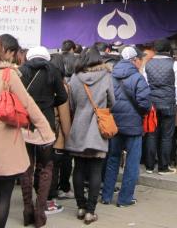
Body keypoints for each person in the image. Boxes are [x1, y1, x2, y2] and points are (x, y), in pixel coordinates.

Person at [0, 36, 54, 228]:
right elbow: (28, 104)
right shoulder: (8, 74)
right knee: (3, 194)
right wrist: (46, 133)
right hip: (5, 139)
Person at [18, 46, 68, 226]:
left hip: (25, 124)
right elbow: (62, 97)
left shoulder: (21, 71)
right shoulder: (52, 71)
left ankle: (26, 209)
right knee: (46, 167)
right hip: (45, 124)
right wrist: (48, 103)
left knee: (26, 167)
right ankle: (40, 212)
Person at [65, 48, 115, 224]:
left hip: (78, 128)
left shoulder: (75, 78)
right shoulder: (106, 76)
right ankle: (90, 212)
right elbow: (112, 102)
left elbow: (71, 104)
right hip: (98, 131)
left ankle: (80, 207)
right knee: (95, 170)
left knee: (78, 168)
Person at [101, 46, 151, 207]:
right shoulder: (138, 78)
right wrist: (140, 114)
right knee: (132, 162)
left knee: (112, 159)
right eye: (140, 60)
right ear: (134, 60)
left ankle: (106, 196)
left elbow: (106, 100)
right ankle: (124, 199)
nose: (141, 63)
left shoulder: (110, 76)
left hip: (115, 125)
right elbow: (145, 104)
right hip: (133, 126)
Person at [144, 38, 177, 175]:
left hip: (152, 105)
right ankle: (163, 167)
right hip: (168, 104)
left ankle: (149, 166)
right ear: (168, 49)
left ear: (155, 50)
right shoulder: (175, 64)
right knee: (167, 137)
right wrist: (176, 103)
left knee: (151, 135)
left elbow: (145, 86)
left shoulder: (147, 65)